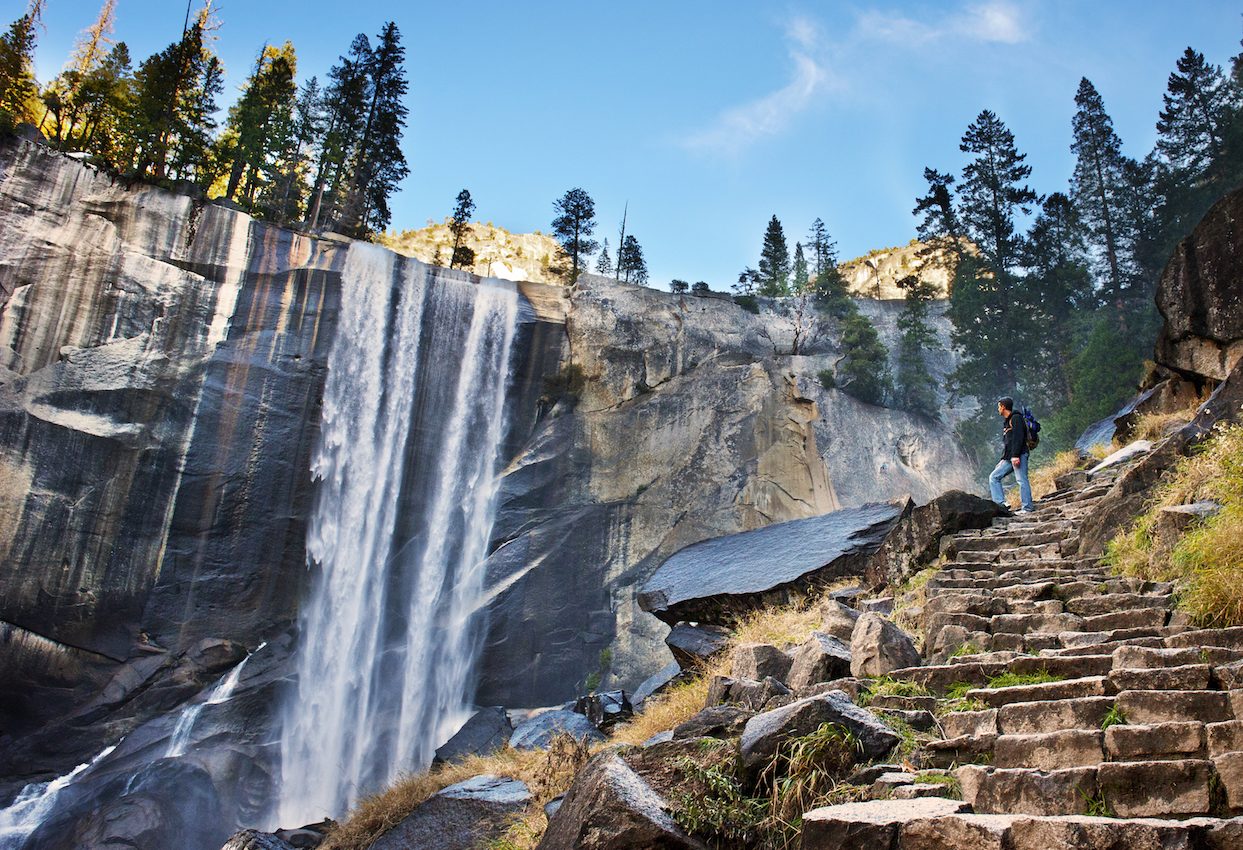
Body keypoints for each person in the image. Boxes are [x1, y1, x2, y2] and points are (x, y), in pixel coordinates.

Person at [989, 396, 1034, 514]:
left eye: (999, 406)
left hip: (1019, 454)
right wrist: (1003, 459)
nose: (998, 409)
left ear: (1003, 407)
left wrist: (1015, 455)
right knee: (994, 477)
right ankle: (1001, 504)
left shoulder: (1016, 418)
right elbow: (1008, 444)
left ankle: (1027, 508)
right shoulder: (1007, 422)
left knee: (1021, 480)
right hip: (1009, 457)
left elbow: (1018, 438)